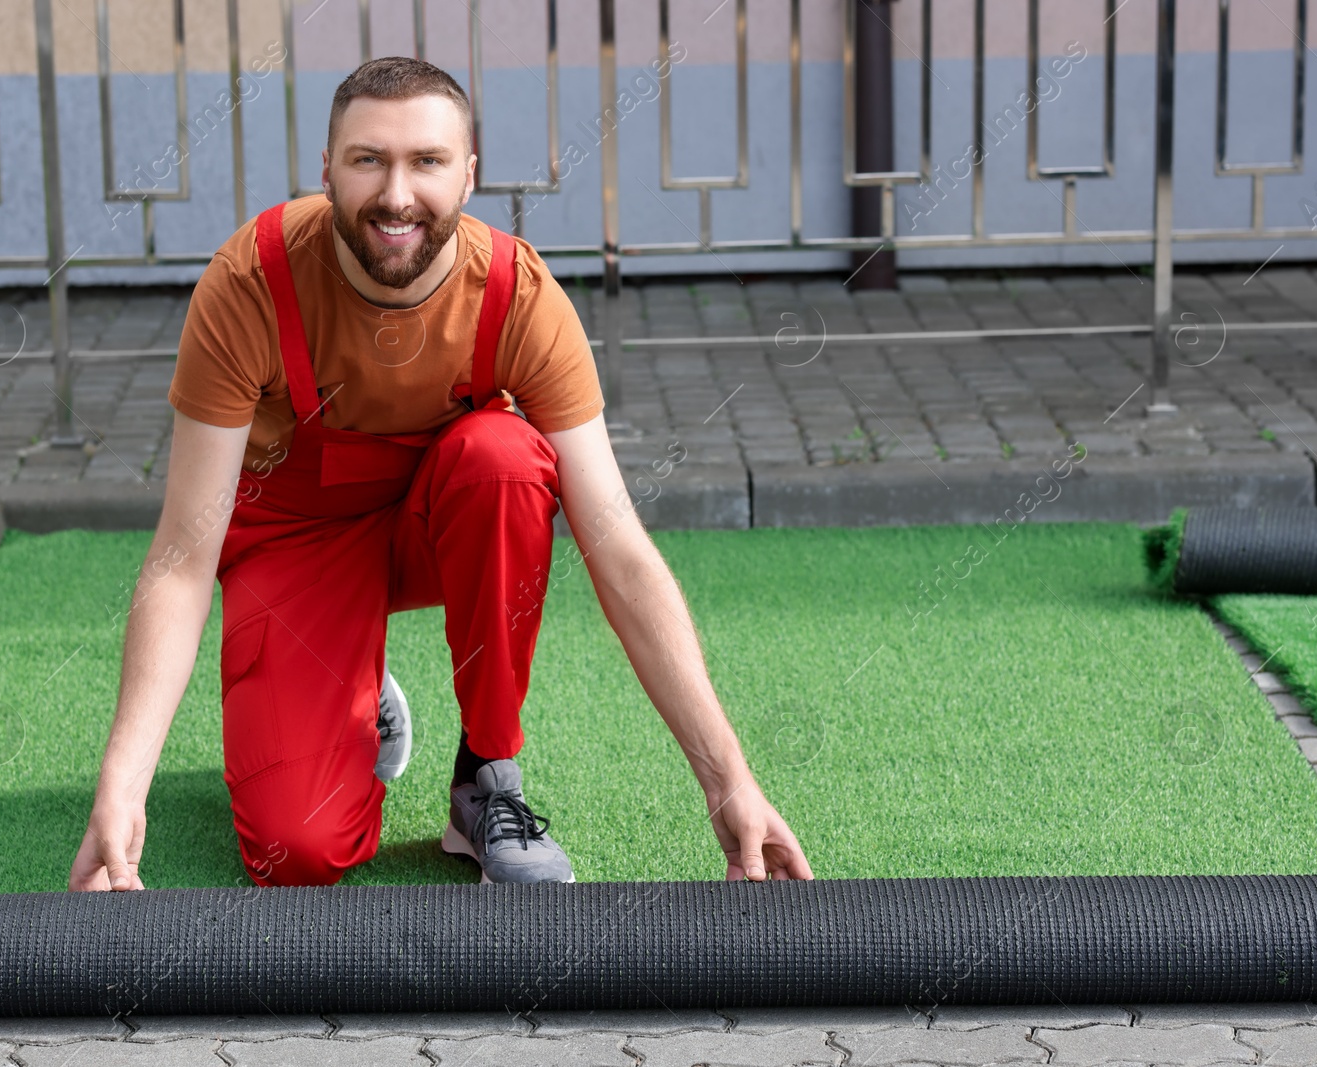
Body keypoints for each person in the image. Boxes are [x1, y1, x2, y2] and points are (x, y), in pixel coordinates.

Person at [68, 56, 812, 891]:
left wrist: (729, 784)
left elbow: (619, 549)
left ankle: (484, 779)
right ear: (326, 170)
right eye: (367, 160)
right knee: (299, 852)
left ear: (469, 174)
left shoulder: (519, 295)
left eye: (426, 161)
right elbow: (180, 556)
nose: (396, 195)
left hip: (434, 528)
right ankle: (351, 682)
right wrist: (123, 786)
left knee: (503, 458)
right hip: (295, 543)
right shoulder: (249, 286)